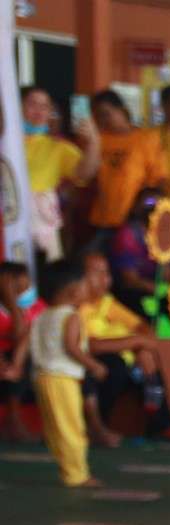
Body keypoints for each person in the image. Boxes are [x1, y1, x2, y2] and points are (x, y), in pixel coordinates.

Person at [78, 247, 170, 442]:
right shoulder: (78, 307)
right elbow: (90, 346)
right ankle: (98, 426)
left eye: (106, 273)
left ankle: (162, 425)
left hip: (129, 360)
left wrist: (140, 347)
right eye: (97, 273)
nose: (105, 279)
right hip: (95, 361)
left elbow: (142, 327)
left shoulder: (106, 302)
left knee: (148, 362)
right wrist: (135, 341)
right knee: (115, 366)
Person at [28, 260, 107, 487]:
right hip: (62, 379)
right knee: (72, 426)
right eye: (85, 285)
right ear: (74, 290)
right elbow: (72, 347)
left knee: (56, 427)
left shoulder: (41, 316)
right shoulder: (71, 316)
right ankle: (77, 474)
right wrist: (94, 365)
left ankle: (67, 466)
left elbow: (27, 341)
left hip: (41, 377)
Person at [21, 86, 99, 263]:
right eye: (32, 104)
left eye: (45, 106)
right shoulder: (6, 142)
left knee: (46, 274)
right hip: (8, 221)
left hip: (41, 225)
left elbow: (85, 173)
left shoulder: (57, 147)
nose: (39, 111)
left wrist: (93, 141)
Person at [85, 92, 167, 251]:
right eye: (97, 116)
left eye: (106, 114)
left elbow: (160, 182)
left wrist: (147, 205)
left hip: (134, 221)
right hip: (103, 219)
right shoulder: (98, 140)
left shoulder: (146, 139)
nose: (102, 120)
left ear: (122, 110)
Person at [0, 262, 46, 443]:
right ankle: (13, 421)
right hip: (5, 361)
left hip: (25, 363)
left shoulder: (37, 306)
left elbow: (22, 336)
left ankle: (14, 420)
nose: (28, 292)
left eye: (28, 286)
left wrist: (14, 305)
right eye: (20, 289)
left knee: (23, 355)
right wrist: (11, 301)